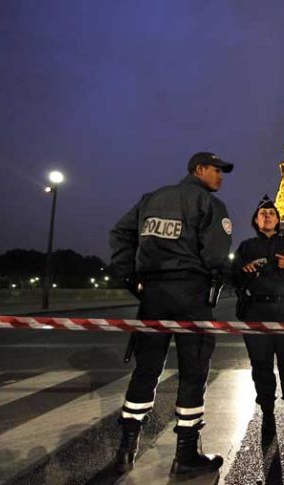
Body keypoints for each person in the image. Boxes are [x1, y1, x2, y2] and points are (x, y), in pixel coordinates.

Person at [108, 151, 233, 478]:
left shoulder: (152, 198)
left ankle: (126, 448)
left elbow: (120, 233)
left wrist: (127, 275)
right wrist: (214, 275)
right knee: (193, 371)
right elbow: (217, 254)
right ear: (199, 169)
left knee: (146, 369)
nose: (221, 176)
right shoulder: (208, 204)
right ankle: (186, 454)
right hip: (190, 294)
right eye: (217, 170)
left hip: (153, 294)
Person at [231, 195, 284, 445]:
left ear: (278, 220)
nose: (267, 216)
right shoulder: (246, 247)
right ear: (256, 221)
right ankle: (267, 414)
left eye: (271, 213)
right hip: (257, 311)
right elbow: (233, 277)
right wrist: (244, 273)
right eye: (262, 213)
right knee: (261, 367)